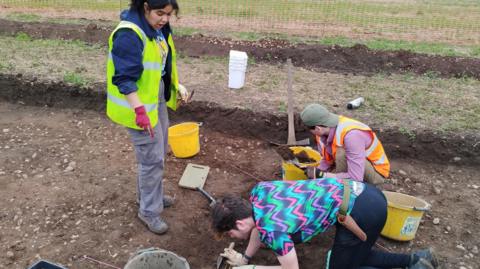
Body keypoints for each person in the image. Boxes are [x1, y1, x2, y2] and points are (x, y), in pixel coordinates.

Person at [212, 178, 438, 269]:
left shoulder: (273, 231)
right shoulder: (258, 193)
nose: (233, 238)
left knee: (343, 266)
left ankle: (414, 262)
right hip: (362, 192)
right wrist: (245, 258)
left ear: (240, 224)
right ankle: (420, 259)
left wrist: (251, 268)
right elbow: (257, 231)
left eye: (230, 234)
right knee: (353, 254)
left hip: (363, 211)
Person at [106, 0, 190, 234]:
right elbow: (124, 79)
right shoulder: (129, 35)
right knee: (151, 160)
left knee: (159, 153)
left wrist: (176, 85)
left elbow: (160, 64)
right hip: (138, 106)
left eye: (169, 15)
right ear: (144, 7)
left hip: (156, 99)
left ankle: (150, 196)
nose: (164, 19)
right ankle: (148, 211)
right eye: (160, 13)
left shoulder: (157, 28)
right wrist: (140, 112)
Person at [300, 104, 389, 185]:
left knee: (341, 153)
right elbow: (326, 159)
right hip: (354, 165)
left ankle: (343, 189)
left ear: (318, 128)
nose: (312, 133)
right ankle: (338, 181)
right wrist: (317, 171)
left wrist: (323, 175)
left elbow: (356, 178)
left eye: (310, 130)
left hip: (376, 173)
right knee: (336, 162)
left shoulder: (352, 136)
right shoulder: (323, 131)